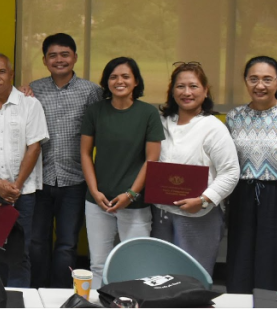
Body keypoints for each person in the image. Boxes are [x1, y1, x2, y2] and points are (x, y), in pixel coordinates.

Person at [80, 57, 164, 289]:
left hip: (134, 203)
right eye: (113, 76)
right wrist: (95, 192)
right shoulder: (95, 111)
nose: (119, 81)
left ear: (136, 81)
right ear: (106, 82)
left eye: (126, 76)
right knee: (98, 264)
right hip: (98, 202)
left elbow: (152, 159)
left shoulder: (148, 113)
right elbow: (86, 154)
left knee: (136, 265)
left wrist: (130, 194)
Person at [28, 33, 102, 288]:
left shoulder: (92, 92)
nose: (59, 60)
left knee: (67, 243)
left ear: (75, 57)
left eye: (65, 54)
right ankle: (37, 290)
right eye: (53, 55)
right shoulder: (33, 90)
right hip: (39, 179)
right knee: (36, 241)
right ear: (45, 60)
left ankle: (59, 294)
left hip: (74, 180)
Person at [152, 62, 239, 276]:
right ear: (172, 91)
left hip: (199, 216)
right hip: (161, 214)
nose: (187, 92)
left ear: (205, 90)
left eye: (193, 86)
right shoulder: (161, 123)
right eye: (180, 86)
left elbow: (231, 172)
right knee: (160, 277)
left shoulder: (213, 127)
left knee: (192, 280)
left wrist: (203, 200)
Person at [0, 53, 48, 287]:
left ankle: (18, 299)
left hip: (22, 193)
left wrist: (15, 186)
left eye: (2, 71)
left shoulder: (30, 104)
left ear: (11, 74)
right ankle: (0, 297)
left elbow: (34, 147)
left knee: (19, 252)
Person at [226, 56, 277, 293]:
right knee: (241, 254)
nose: (260, 85)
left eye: (267, 79)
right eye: (253, 79)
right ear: (245, 81)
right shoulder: (234, 117)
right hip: (243, 195)